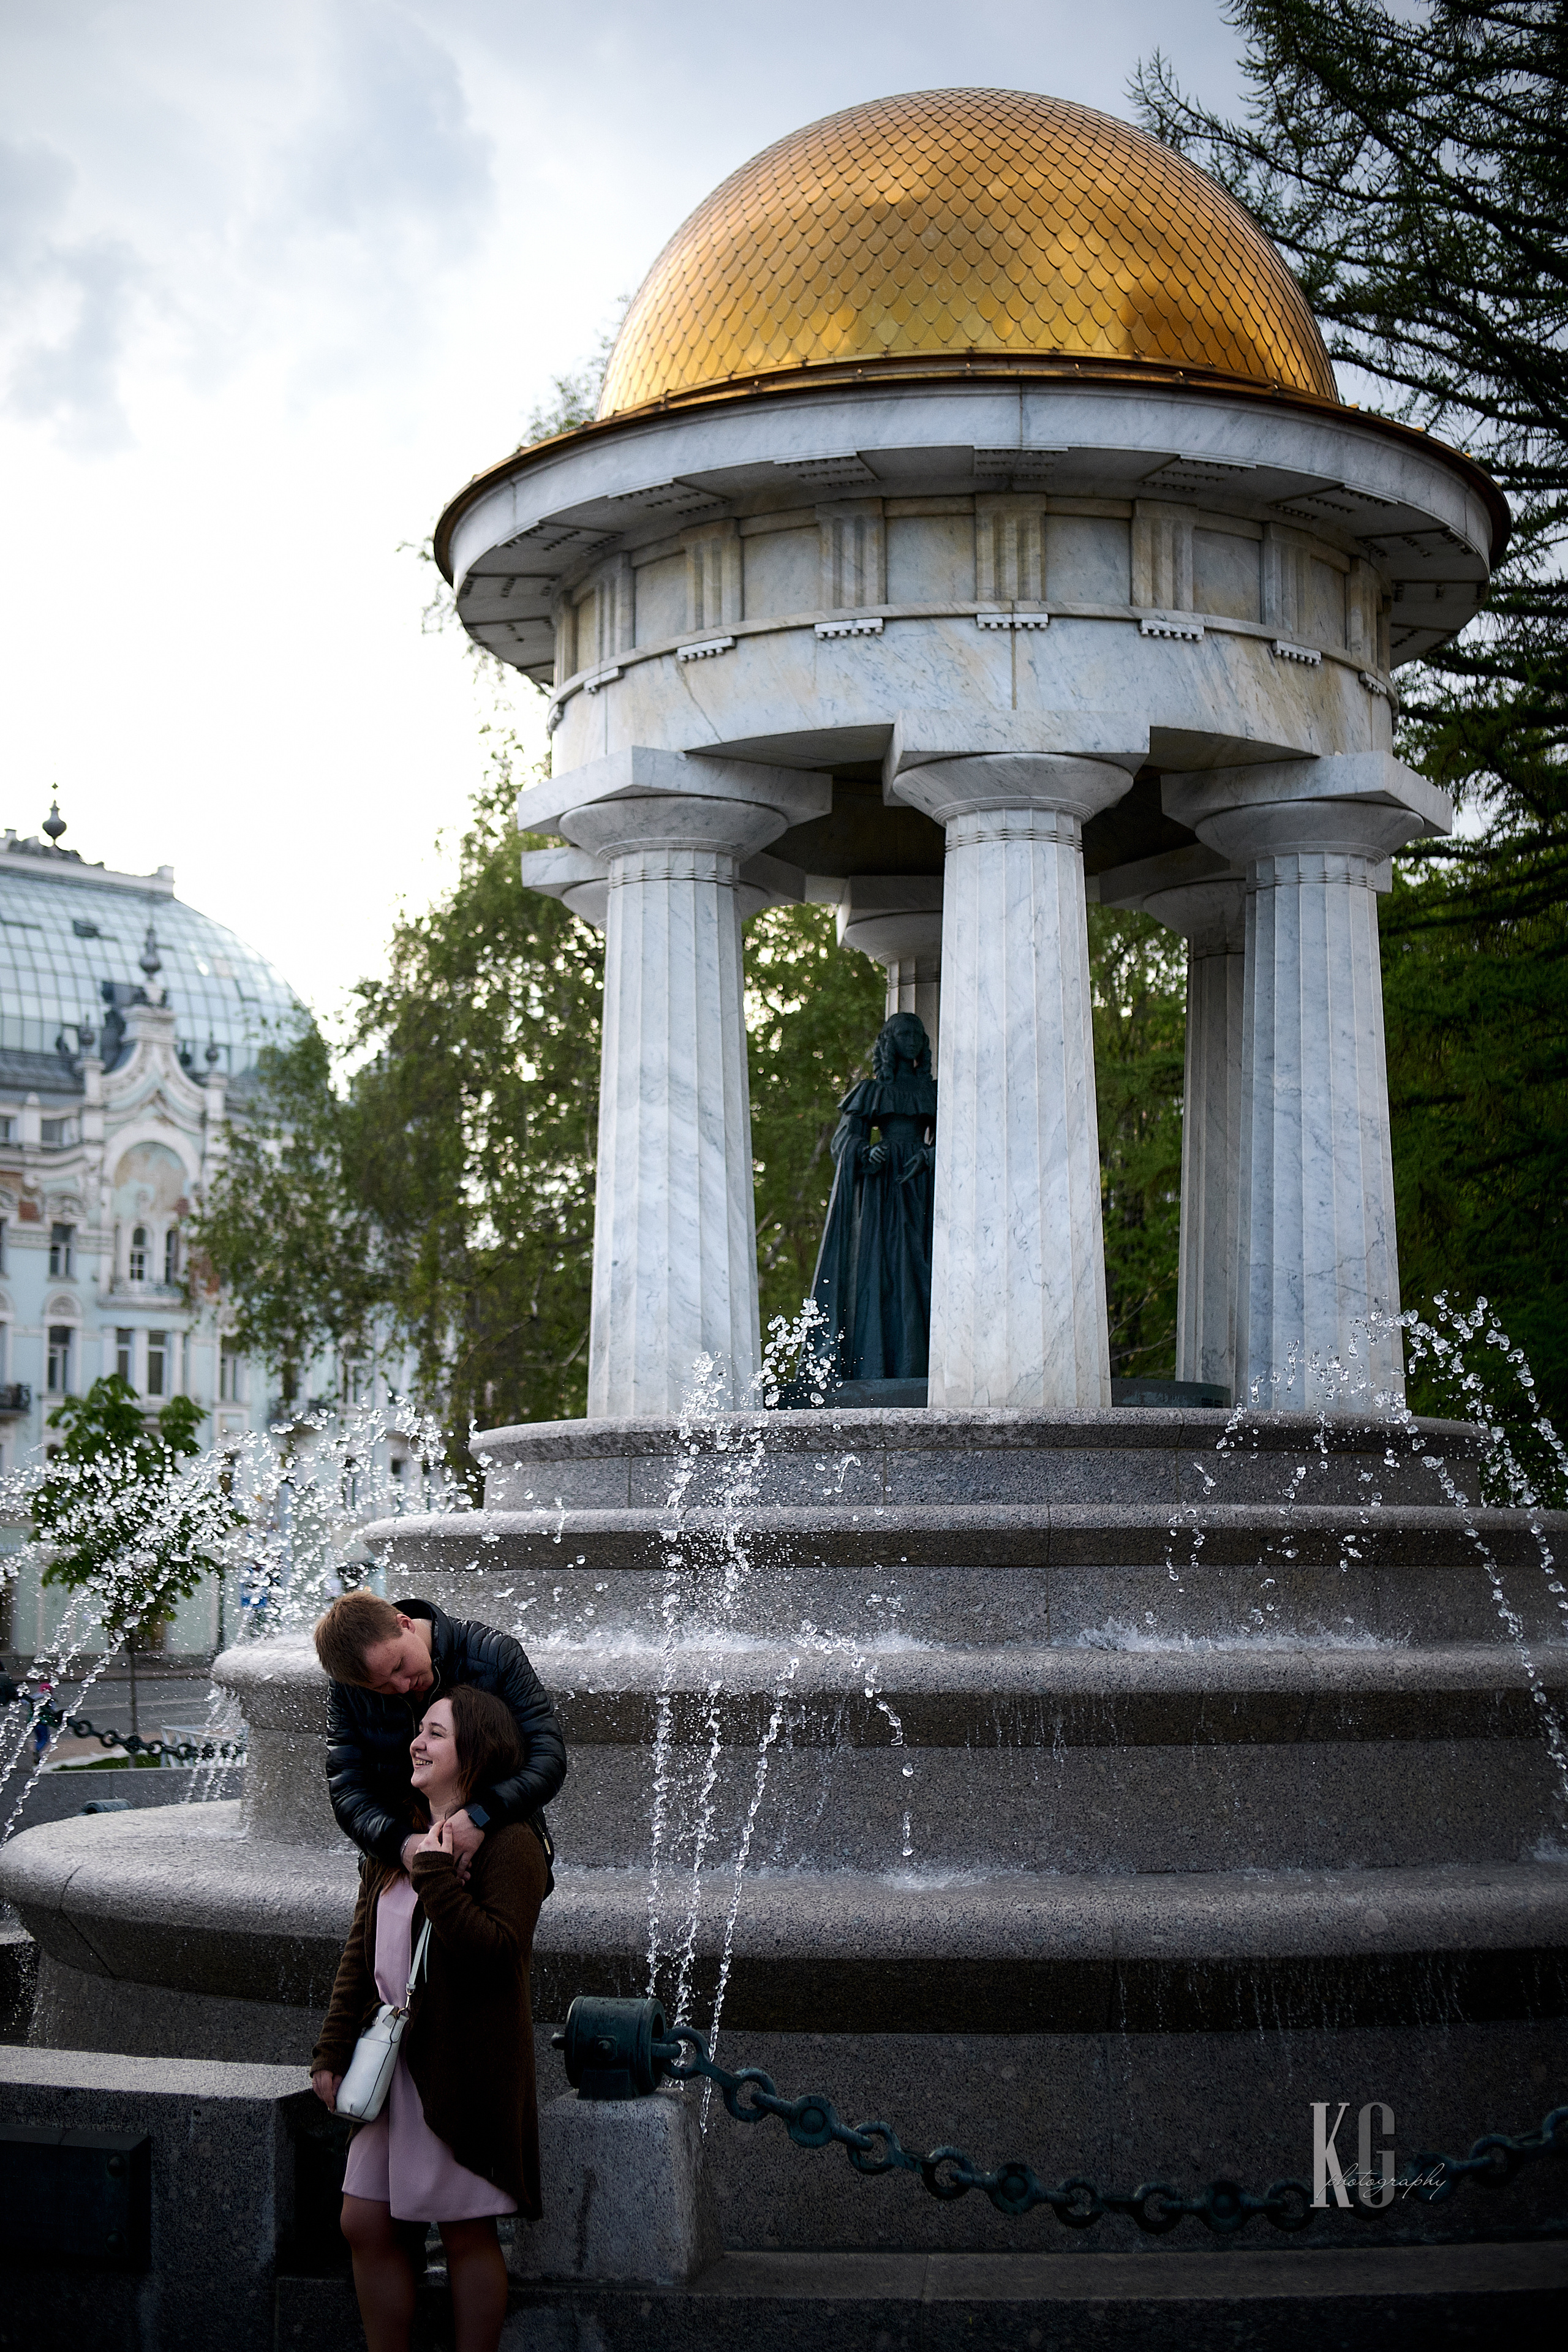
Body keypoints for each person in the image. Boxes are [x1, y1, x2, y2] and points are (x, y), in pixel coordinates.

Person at [312, 1686, 547, 2352]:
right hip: (391, 2063)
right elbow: (361, 1952)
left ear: (474, 1749)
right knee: (364, 2220)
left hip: (460, 2066)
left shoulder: (511, 1844)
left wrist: (439, 1876)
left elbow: (497, 1955)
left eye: (436, 1733)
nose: (417, 1741)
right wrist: (332, 2049)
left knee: (464, 2227)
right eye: (420, 1730)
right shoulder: (398, 1834)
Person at [313, 1589, 566, 1882]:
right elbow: (347, 1788)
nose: (403, 1686)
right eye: (381, 1687)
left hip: (495, 1851)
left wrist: (479, 1817)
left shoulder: (495, 1655)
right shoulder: (349, 1688)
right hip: (397, 1863)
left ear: (405, 1624)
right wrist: (402, 1845)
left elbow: (548, 1757)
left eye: (399, 1666)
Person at [810, 1011, 938, 1382]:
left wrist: (928, 1156)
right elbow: (844, 1141)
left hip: (922, 1186)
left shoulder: (933, 1090)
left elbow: (958, 1136)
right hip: (883, 1189)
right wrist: (866, 1154)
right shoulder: (872, 1090)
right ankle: (877, 1362)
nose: (912, 1038)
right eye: (903, 1032)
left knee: (921, 1267)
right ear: (889, 1040)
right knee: (882, 1271)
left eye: (917, 1033)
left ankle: (922, 1362)